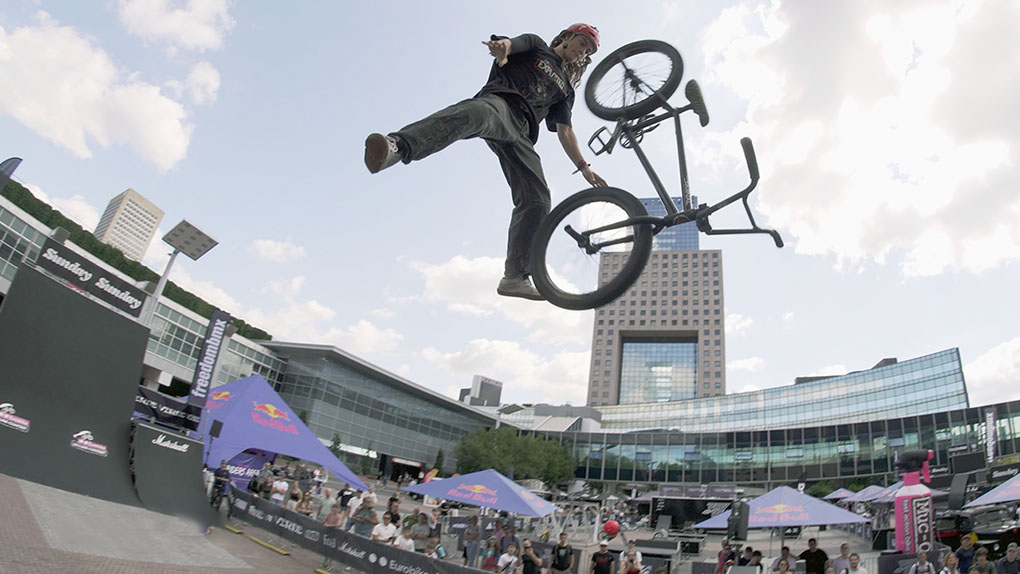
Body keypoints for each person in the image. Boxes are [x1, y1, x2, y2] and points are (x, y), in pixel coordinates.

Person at [363, 24, 607, 301]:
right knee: (478, 113)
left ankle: (515, 276)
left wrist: (584, 167)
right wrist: (502, 48)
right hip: (501, 106)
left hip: (522, 135)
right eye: (581, 43)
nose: (581, 51)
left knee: (538, 199)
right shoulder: (537, 45)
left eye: (587, 50)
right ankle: (396, 147)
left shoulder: (565, 89)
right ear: (567, 36)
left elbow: (565, 131)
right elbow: (511, 44)